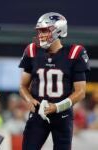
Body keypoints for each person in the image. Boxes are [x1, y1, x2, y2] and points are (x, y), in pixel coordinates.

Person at [19, 12, 90, 150]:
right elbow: (22, 86)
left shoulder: (75, 53)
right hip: (38, 113)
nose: (41, 35)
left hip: (62, 115)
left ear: (59, 30)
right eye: (39, 31)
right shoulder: (32, 50)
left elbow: (81, 92)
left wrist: (57, 107)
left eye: (45, 30)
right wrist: (29, 99)